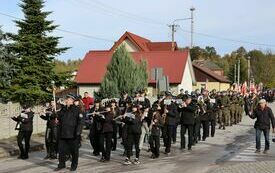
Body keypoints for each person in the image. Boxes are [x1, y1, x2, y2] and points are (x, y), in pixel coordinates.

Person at [55, 94, 83, 172]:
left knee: (74, 151)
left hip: (73, 134)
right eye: (66, 99)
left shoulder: (76, 109)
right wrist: (57, 119)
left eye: (68, 99)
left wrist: (78, 132)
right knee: (61, 150)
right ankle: (61, 164)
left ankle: (74, 165)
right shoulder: (63, 109)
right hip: (63, 133)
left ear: (72, 100)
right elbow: (58, 118)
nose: (66, 100)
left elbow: (80, 122)